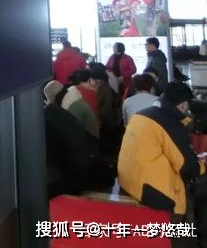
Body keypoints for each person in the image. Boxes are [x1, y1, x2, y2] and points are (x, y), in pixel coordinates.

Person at [118, 82, 207, 246]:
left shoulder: (142, 115)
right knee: (201, 185)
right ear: (183, 105)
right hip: (154, 192)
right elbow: (189, 167)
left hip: (129, 182)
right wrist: (200, 163)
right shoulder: (170, 125)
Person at [61, 70, 100, 138]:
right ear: (89, 80)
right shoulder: (89, 93)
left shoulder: (67, 90)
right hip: (84, 135)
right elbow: (94, 120)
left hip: (67, 133)